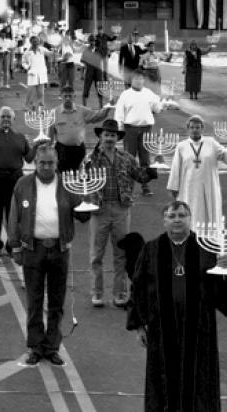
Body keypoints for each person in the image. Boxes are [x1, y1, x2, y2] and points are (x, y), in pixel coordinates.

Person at [126, 200, 227, 412]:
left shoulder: (209, 248)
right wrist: (138, 325)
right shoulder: (151, 249)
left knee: (198, 379)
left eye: (182, 215)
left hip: (198, 328)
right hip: (161, 327)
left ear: (190, 219)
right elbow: (139, 288)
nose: (177, 220)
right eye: (172, 216)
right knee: (163, 378)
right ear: (164, 221)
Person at [8, 145, 86, 365]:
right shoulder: (23, 185)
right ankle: (35, 346)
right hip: (33, 249)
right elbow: (14, 217)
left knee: (56, 300)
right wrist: (14, 246)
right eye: (42, 162)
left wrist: (88, 196)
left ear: (57, 163)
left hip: (60, 250)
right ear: (34, 163)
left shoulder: (67, 184)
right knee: (34, 300)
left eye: (51, 163)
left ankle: (52, 346)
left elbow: (81, 211)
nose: (46, 167)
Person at [85, 120, 154, 307]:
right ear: (100, 136)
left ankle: (120, 293)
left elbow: (139, 175)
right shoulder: (91, 159)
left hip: (121, 208)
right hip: (99, 209)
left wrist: (151, 172)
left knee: (121, 253)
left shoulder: (127, 158)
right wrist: (85, 203)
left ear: (118, 138)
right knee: (96, 254)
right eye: (106, 135)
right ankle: (97, 293)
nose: (109, 138)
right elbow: (83, 183)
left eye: (112, 135)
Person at [0, 107, 39, 257]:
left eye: (8, 117)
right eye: (3, 116)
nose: (6, 119)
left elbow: (29, 158)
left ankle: (12, 245)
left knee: (14, 213)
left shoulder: (20, 137)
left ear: (13, 119)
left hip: (15, 179)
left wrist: (35, 147)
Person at [167, 115, 227, 225]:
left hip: (208, 185)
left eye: (197, 127)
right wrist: (174, 187)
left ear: (202, 128)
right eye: (192, 127)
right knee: (190, 209)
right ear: (188, 128)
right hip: (188, 186)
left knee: (208, 211)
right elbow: (176, 168)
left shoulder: (211, 143)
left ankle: (208, 236)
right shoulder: (182, 146)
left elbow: (224, 156)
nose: (195, 130)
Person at [114, 72, 170, 196]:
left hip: (146, 129)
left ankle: (146, 186)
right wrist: (119, 128)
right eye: (136, 78)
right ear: (131, 80)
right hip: (130, 129)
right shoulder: (125, 95)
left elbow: (157, 108)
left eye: (141, 78)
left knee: (145, 159)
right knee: (129, 159)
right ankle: (128, 187)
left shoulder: (149, 93)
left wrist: (164, 104)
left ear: (144, 80)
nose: (139, 81)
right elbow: (119, 113)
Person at [52, 101, 114, 172]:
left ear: (74, 96)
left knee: (80, 176)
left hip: (78, 150)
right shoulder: (54, 112)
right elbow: (50, 134)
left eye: (70, 96)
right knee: (62, 176)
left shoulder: (81, 111)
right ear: (61, 96)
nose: (68, 98)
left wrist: (107, 108)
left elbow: (96, 116)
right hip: (61, 151)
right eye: (65, 96)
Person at [21, 36, 50, 109]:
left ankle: (41, 105)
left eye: (37, 41)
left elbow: (49, 53)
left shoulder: (42, 50)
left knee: (41, 92)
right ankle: (27, 105)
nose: (36, 43)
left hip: (41, 73)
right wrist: (27, 67)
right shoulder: (27, 52)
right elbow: (23, 62)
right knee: (30, 91)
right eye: (34, 41)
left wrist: (54, 50)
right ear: (31, 42)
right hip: (32, 73)